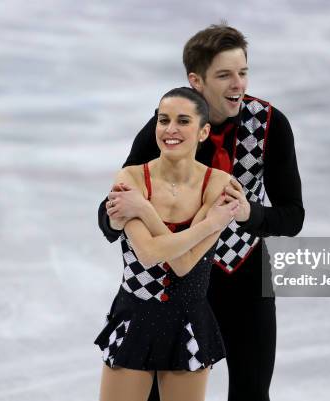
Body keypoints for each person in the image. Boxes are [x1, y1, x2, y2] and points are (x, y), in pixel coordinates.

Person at [98, 24, 304, 401]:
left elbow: (292, 217)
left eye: (243, 73)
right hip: (177, 286)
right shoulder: (168, 128)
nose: (237, 84)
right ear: (196, 81)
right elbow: (113, 208)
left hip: (243, 276)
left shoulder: (271, 124)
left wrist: (247, 214)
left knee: (252, 392)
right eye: (224, 75)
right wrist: (116, 218)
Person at [95, 87, 239, 401]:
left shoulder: (218, 184)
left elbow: (183, 264)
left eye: (183, 121)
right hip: (135, 315)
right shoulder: (131, 178)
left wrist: (144, 210)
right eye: (163, 120)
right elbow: (147, 254)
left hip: (188, 318)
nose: (170, 129)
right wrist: (207, 224)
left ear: (203, 131)